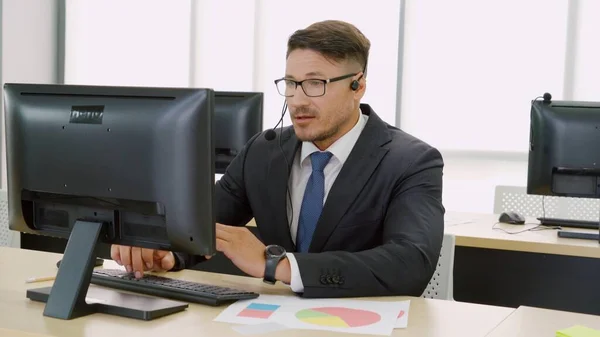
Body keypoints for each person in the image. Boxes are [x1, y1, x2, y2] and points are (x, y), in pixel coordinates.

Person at [111, 19, 445, 298]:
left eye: (315, 84)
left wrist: (278, 265)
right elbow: (204, 224)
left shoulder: (411, 161)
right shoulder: (264, 151)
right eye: (291, 83)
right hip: (277, 321)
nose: (298, 100)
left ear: (357, 86)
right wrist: (167, 252)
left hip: (362, 325)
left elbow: (410, 263)